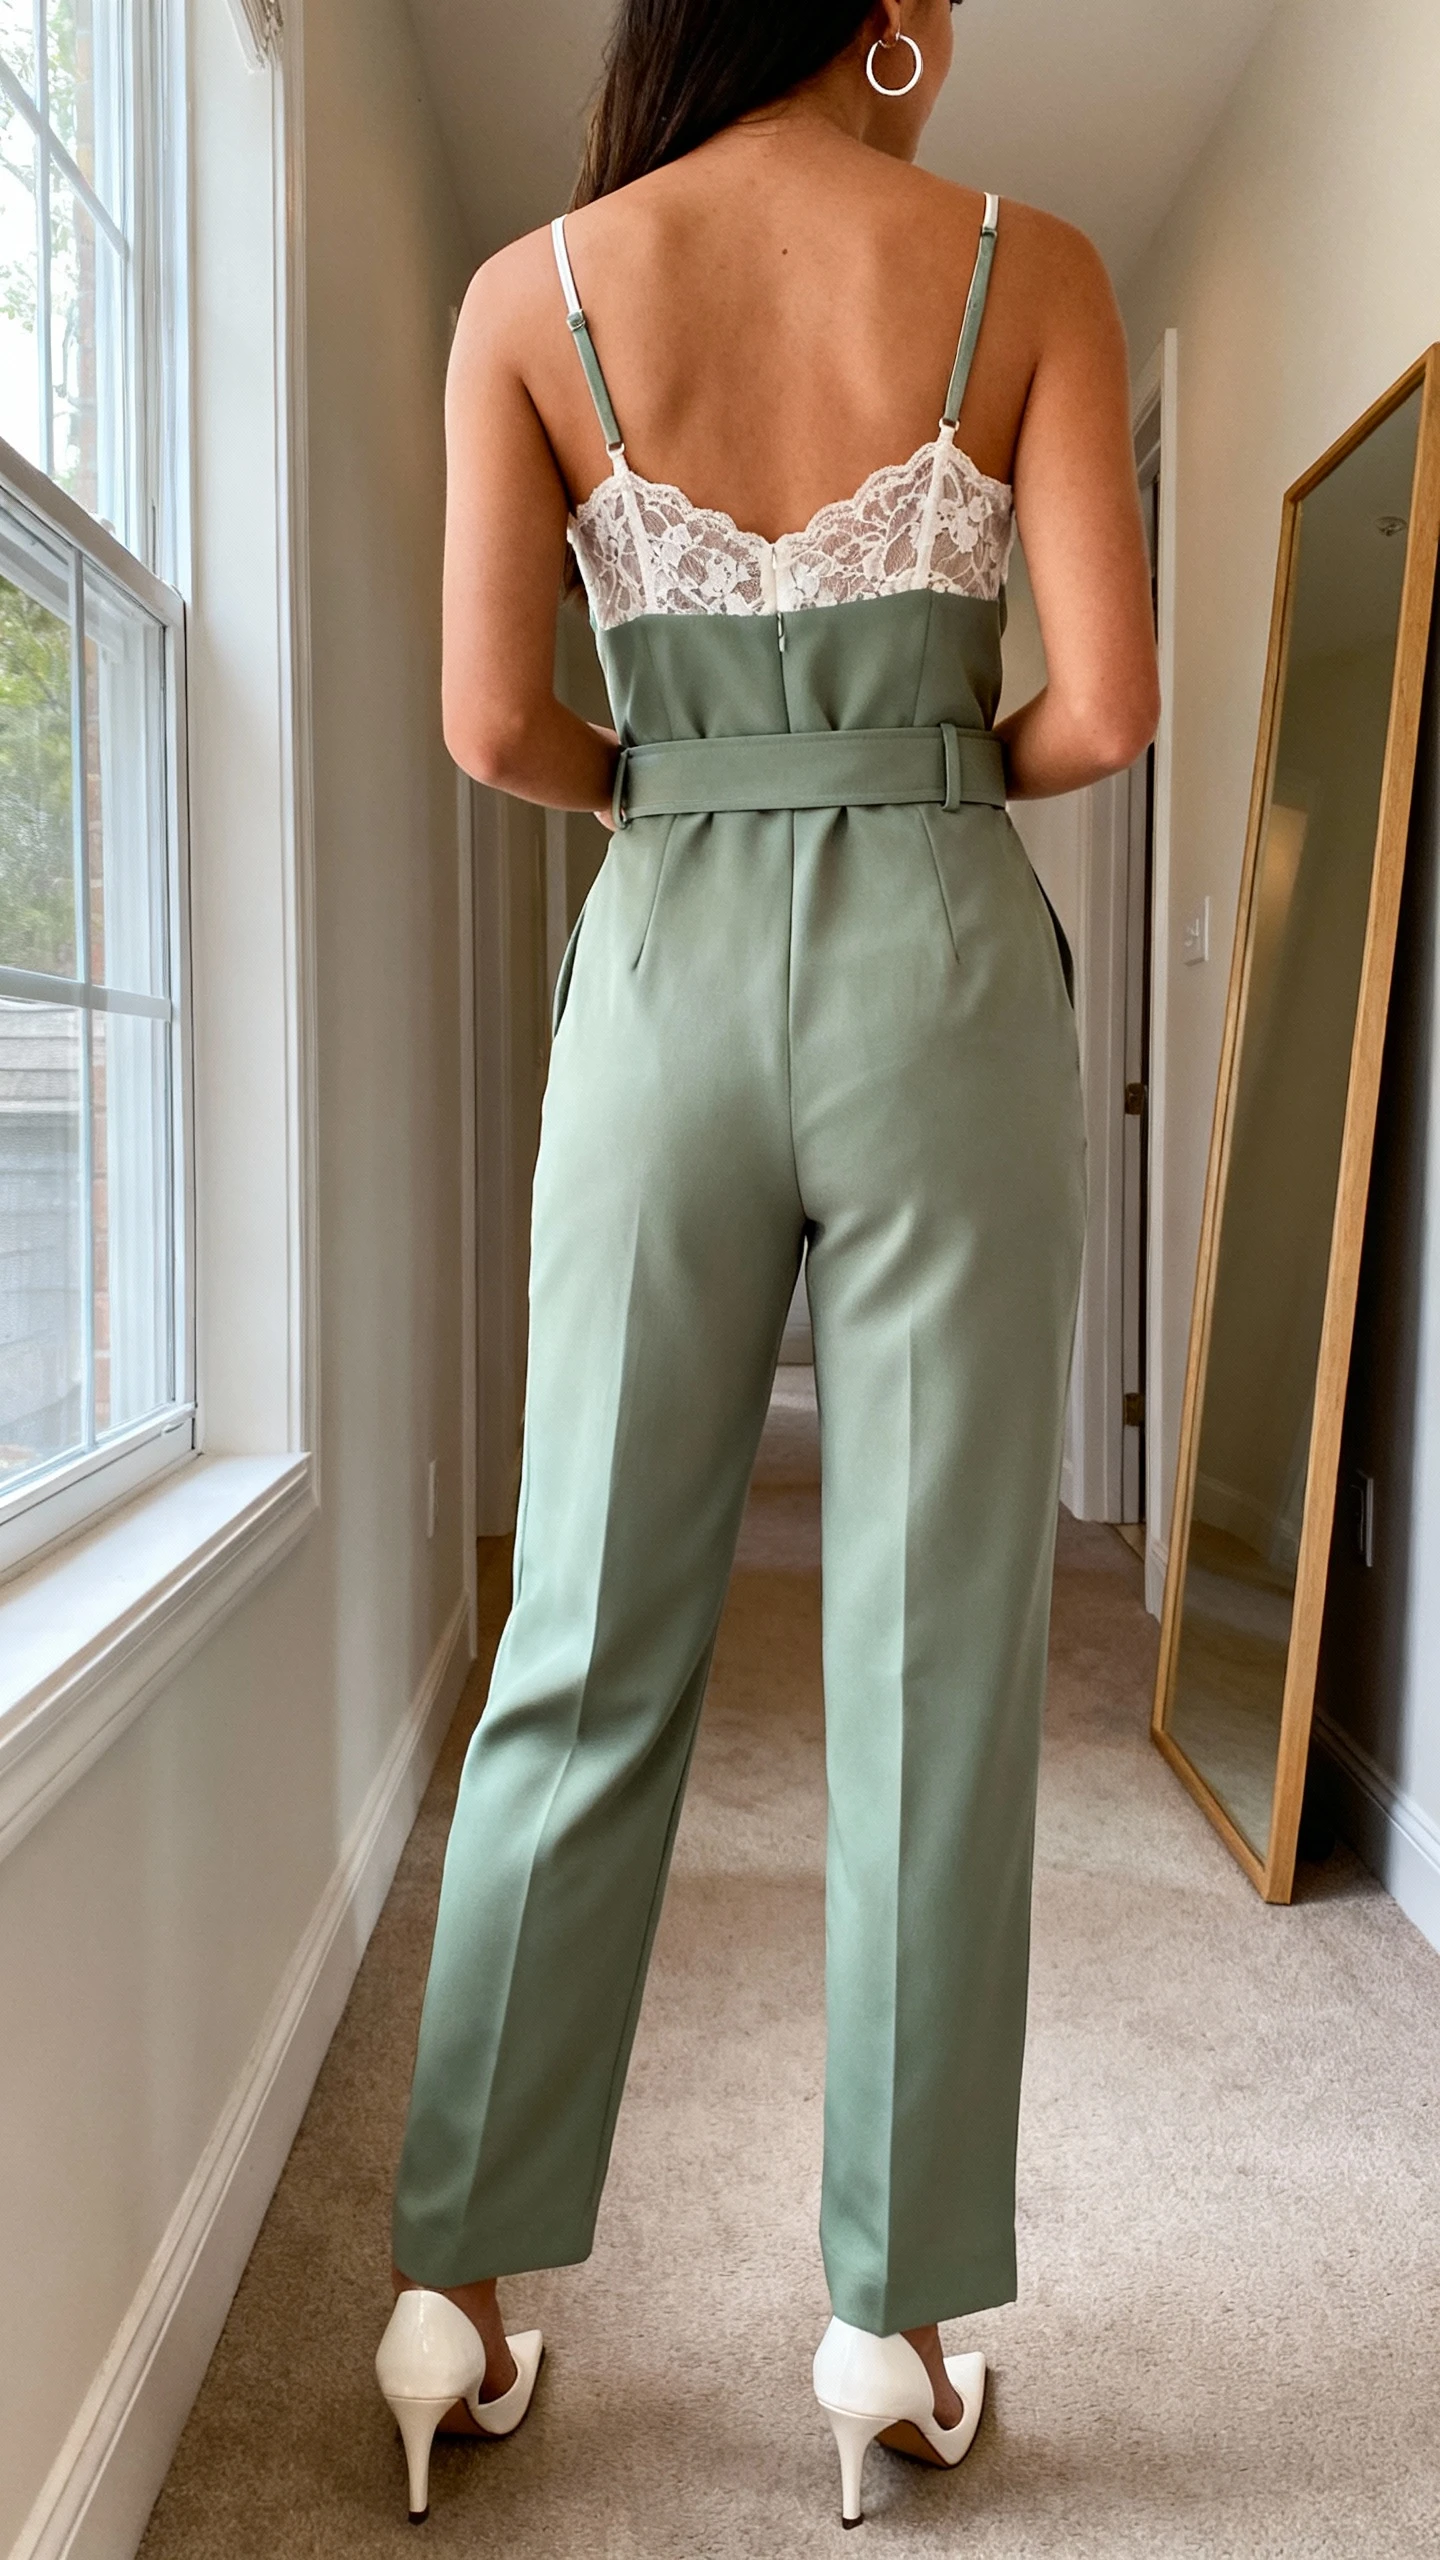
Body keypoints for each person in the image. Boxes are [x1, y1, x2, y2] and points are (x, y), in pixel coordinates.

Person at [375, 0, 1160, 2527]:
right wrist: (912, 766)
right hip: (936, 944)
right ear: (891, 16)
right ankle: (891, 2324)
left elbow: (499, 720)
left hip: (668, 957)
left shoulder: (536, 294)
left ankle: (461, 2295)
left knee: (588, 1628)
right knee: (931, 1659)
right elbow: (1111, 703)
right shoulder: (1023, 265)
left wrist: (697, 789)